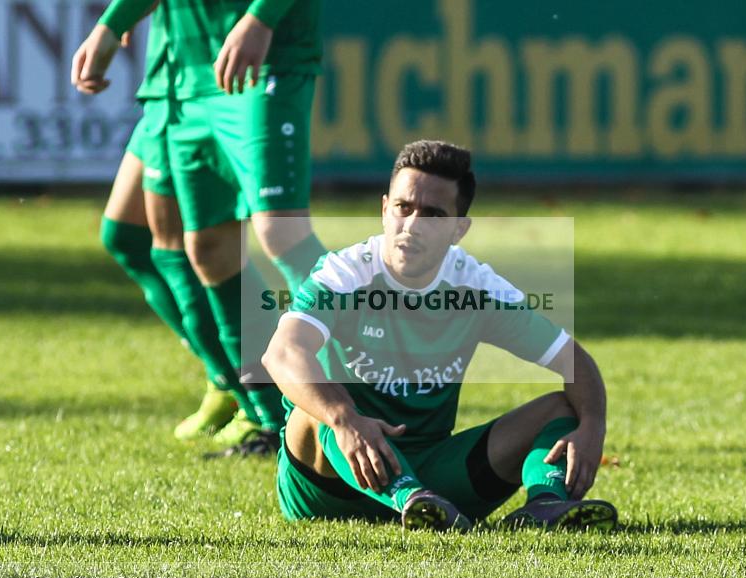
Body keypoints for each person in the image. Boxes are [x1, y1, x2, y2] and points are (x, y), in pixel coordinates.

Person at [262, 140, 619, 531]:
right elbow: (282, 353)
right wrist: (345, 419)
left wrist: (593, 427)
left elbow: (572, 359)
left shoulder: (477, 288)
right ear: (384, 210)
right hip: (328, 488)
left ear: (458, 230)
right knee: (315, 413)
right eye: (403, 208)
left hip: (435, 481)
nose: (412, 225)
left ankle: (545, 506)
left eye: (433, 215)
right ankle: (408, 496)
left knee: (563, 409)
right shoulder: (344, 274)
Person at [73, 0, 326, 452]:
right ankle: (257, 403)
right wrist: (113, 23)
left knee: (281, 235)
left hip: (260, 57)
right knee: (204, 248)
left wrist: (261, 16)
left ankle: (376, 376)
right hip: (183, 69)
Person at [72, 8, 245, 442]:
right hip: (168, 73)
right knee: (125, 235)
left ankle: (255, 397)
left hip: (207, 74)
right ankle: (223, 376)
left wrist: (110, 25)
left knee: (199, 247)